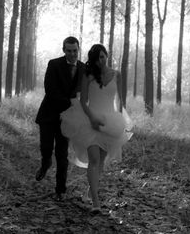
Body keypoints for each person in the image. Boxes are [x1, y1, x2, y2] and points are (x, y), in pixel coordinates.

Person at [60, 44, 132, 212]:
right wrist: (92, 118)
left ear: (107, 55)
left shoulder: (116, 75)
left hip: (109, 122)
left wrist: (119, 120)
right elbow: (83, 101)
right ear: (92, 60)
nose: (100, 60)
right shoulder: (89, 75)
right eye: (96, 58)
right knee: (93, 159)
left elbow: (120, 101)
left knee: (100, 164)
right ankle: (96, 203)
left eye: (102, 56)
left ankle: (91, 192)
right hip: (89, 120)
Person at [34, 36, 85, 200]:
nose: (72, 54)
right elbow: (50, 90)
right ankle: (45, 163)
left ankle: (60, 190)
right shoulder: (54, 64)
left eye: (75, 51)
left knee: (62, 154)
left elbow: (87, 90)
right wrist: (71, 102)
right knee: (46, 147)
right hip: (49, 115)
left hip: (68, 120)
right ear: (64, 50)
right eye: (69, 51)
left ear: (78, 50)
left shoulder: (84, 68)